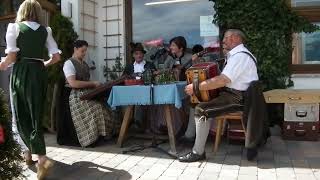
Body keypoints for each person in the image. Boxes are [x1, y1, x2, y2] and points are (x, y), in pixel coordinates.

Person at [0, 0, 61, 179]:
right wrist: (42, 64)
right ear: (37, 12)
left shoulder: (15, 27)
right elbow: (56, 57)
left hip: (22, 73)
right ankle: (28, 155)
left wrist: (2, 65)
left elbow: (11, 56)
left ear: (22, 11)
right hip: (39, 73)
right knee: (35, 116)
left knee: (20, 116)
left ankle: (41, 158)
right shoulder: (46, 30)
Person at [178, 29, 259, 162]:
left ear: (234, 38)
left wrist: (196, 87)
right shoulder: (239, 55)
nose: (223, 41)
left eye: (225, 38)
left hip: (239, 98)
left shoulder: (240, 56)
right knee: (198, 101)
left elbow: (222, 80)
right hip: (236, 94)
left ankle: (197, 152)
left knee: (201, 110)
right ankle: (190, 136)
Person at [63, 40, 120, 147]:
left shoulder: (84, 64)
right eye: (82, 51)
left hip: (87, 93)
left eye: (85, 51)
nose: (84, 53)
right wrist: (93, 83)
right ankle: (90, 139)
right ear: (75, 49)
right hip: (76, 96)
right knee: (96, 108)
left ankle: (103, 135)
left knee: (106, 106)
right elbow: (73, 83)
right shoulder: (69, 63)